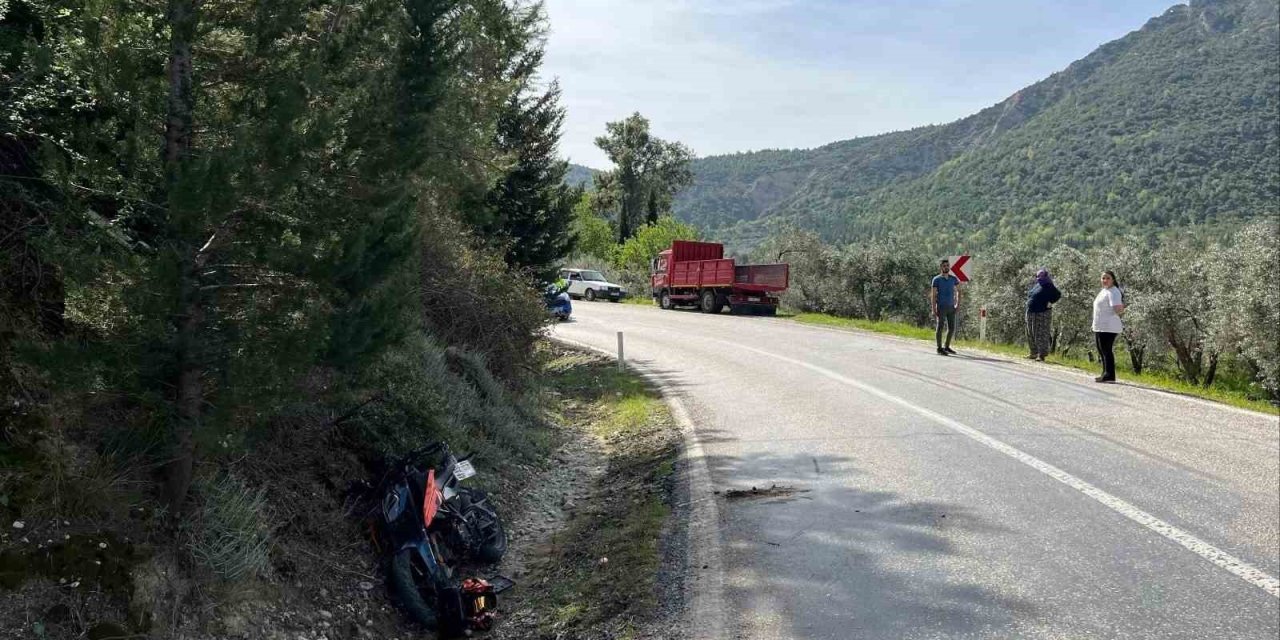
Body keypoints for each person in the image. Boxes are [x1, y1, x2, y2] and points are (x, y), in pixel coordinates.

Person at [1092, 270, 1125, 383]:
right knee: (1101, 350)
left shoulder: (1113, 292)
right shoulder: (1105, 291)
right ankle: (1105, 373)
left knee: (1106, 350)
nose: (1105, 280)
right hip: (1100, 326)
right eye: (1103, 278)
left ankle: (1110, 375)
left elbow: (1118, 309)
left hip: (1108, 326)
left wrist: (1118, 310)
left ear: (1113, 280)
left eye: (1108, 278)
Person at [1025, 268, 1061, 361]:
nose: (1039, 278)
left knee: (1040, 333)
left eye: (1041, 276)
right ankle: (1033, 352)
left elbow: (1057, 295)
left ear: (1046, 276)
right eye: (1037, 276)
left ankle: (1041, 355)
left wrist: (1050, 302)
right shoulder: (1038, 285)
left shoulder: (1049, 286)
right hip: (1031, 311)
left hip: (1042, 312)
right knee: (1030, 332)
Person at [930, 259, 961, 356]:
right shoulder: (936, 279)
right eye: (944, 266)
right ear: (941, 267)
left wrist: (957, 304)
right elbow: (933, 295)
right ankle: (939, 348)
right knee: (940, 327)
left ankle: (946, 346)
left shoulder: (953, 279)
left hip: (951, 306)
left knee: (951, 328)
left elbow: (959, 291)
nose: (946, 267)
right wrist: (933, 308)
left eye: (947, 265)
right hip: (941, 306)